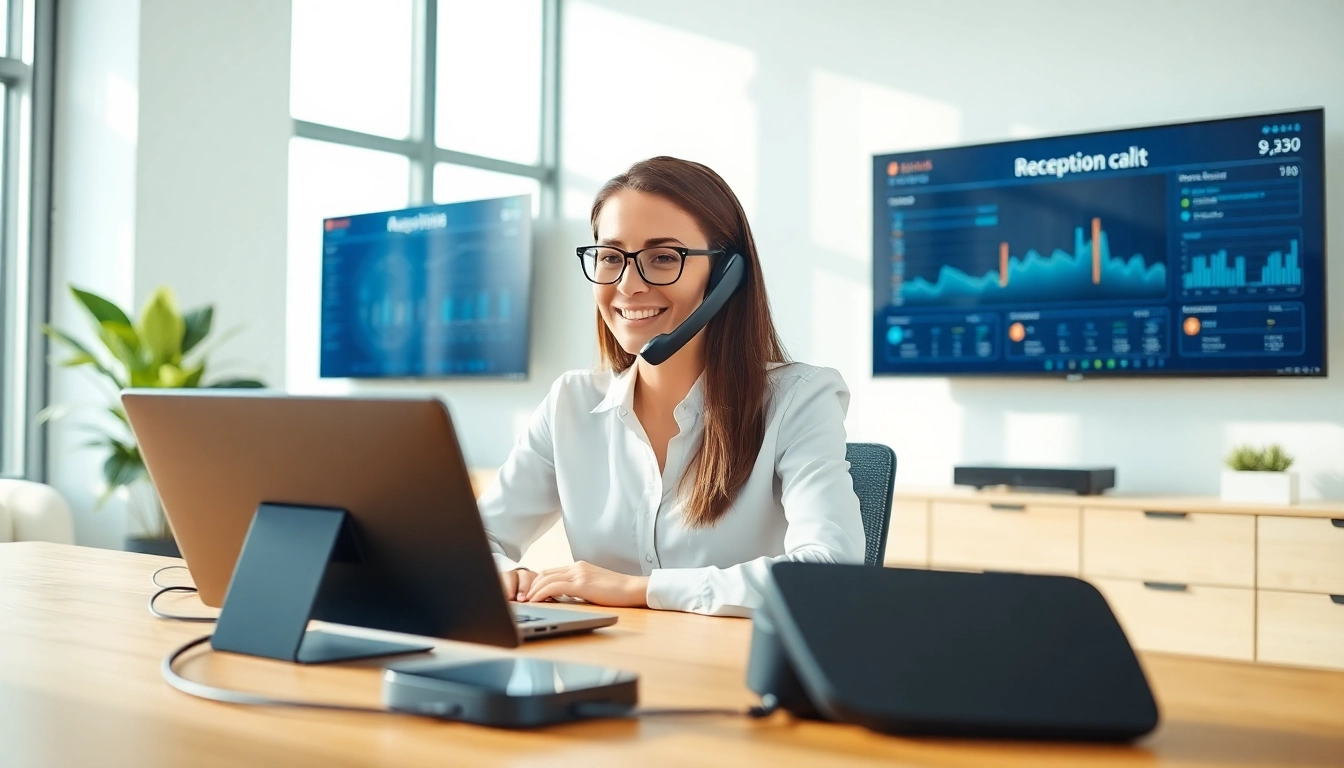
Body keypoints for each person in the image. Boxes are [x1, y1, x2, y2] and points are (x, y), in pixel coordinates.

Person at [478, 156, 864, 617]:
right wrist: (502, 573)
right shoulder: (571, 404)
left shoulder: (799, 399)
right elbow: (478, 539)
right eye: (611, 257)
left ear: (725, 276)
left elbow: (828, 572)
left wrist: (640, 589)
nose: (629, 285)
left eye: (663, 258)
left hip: (735, 661)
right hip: (609, 656)